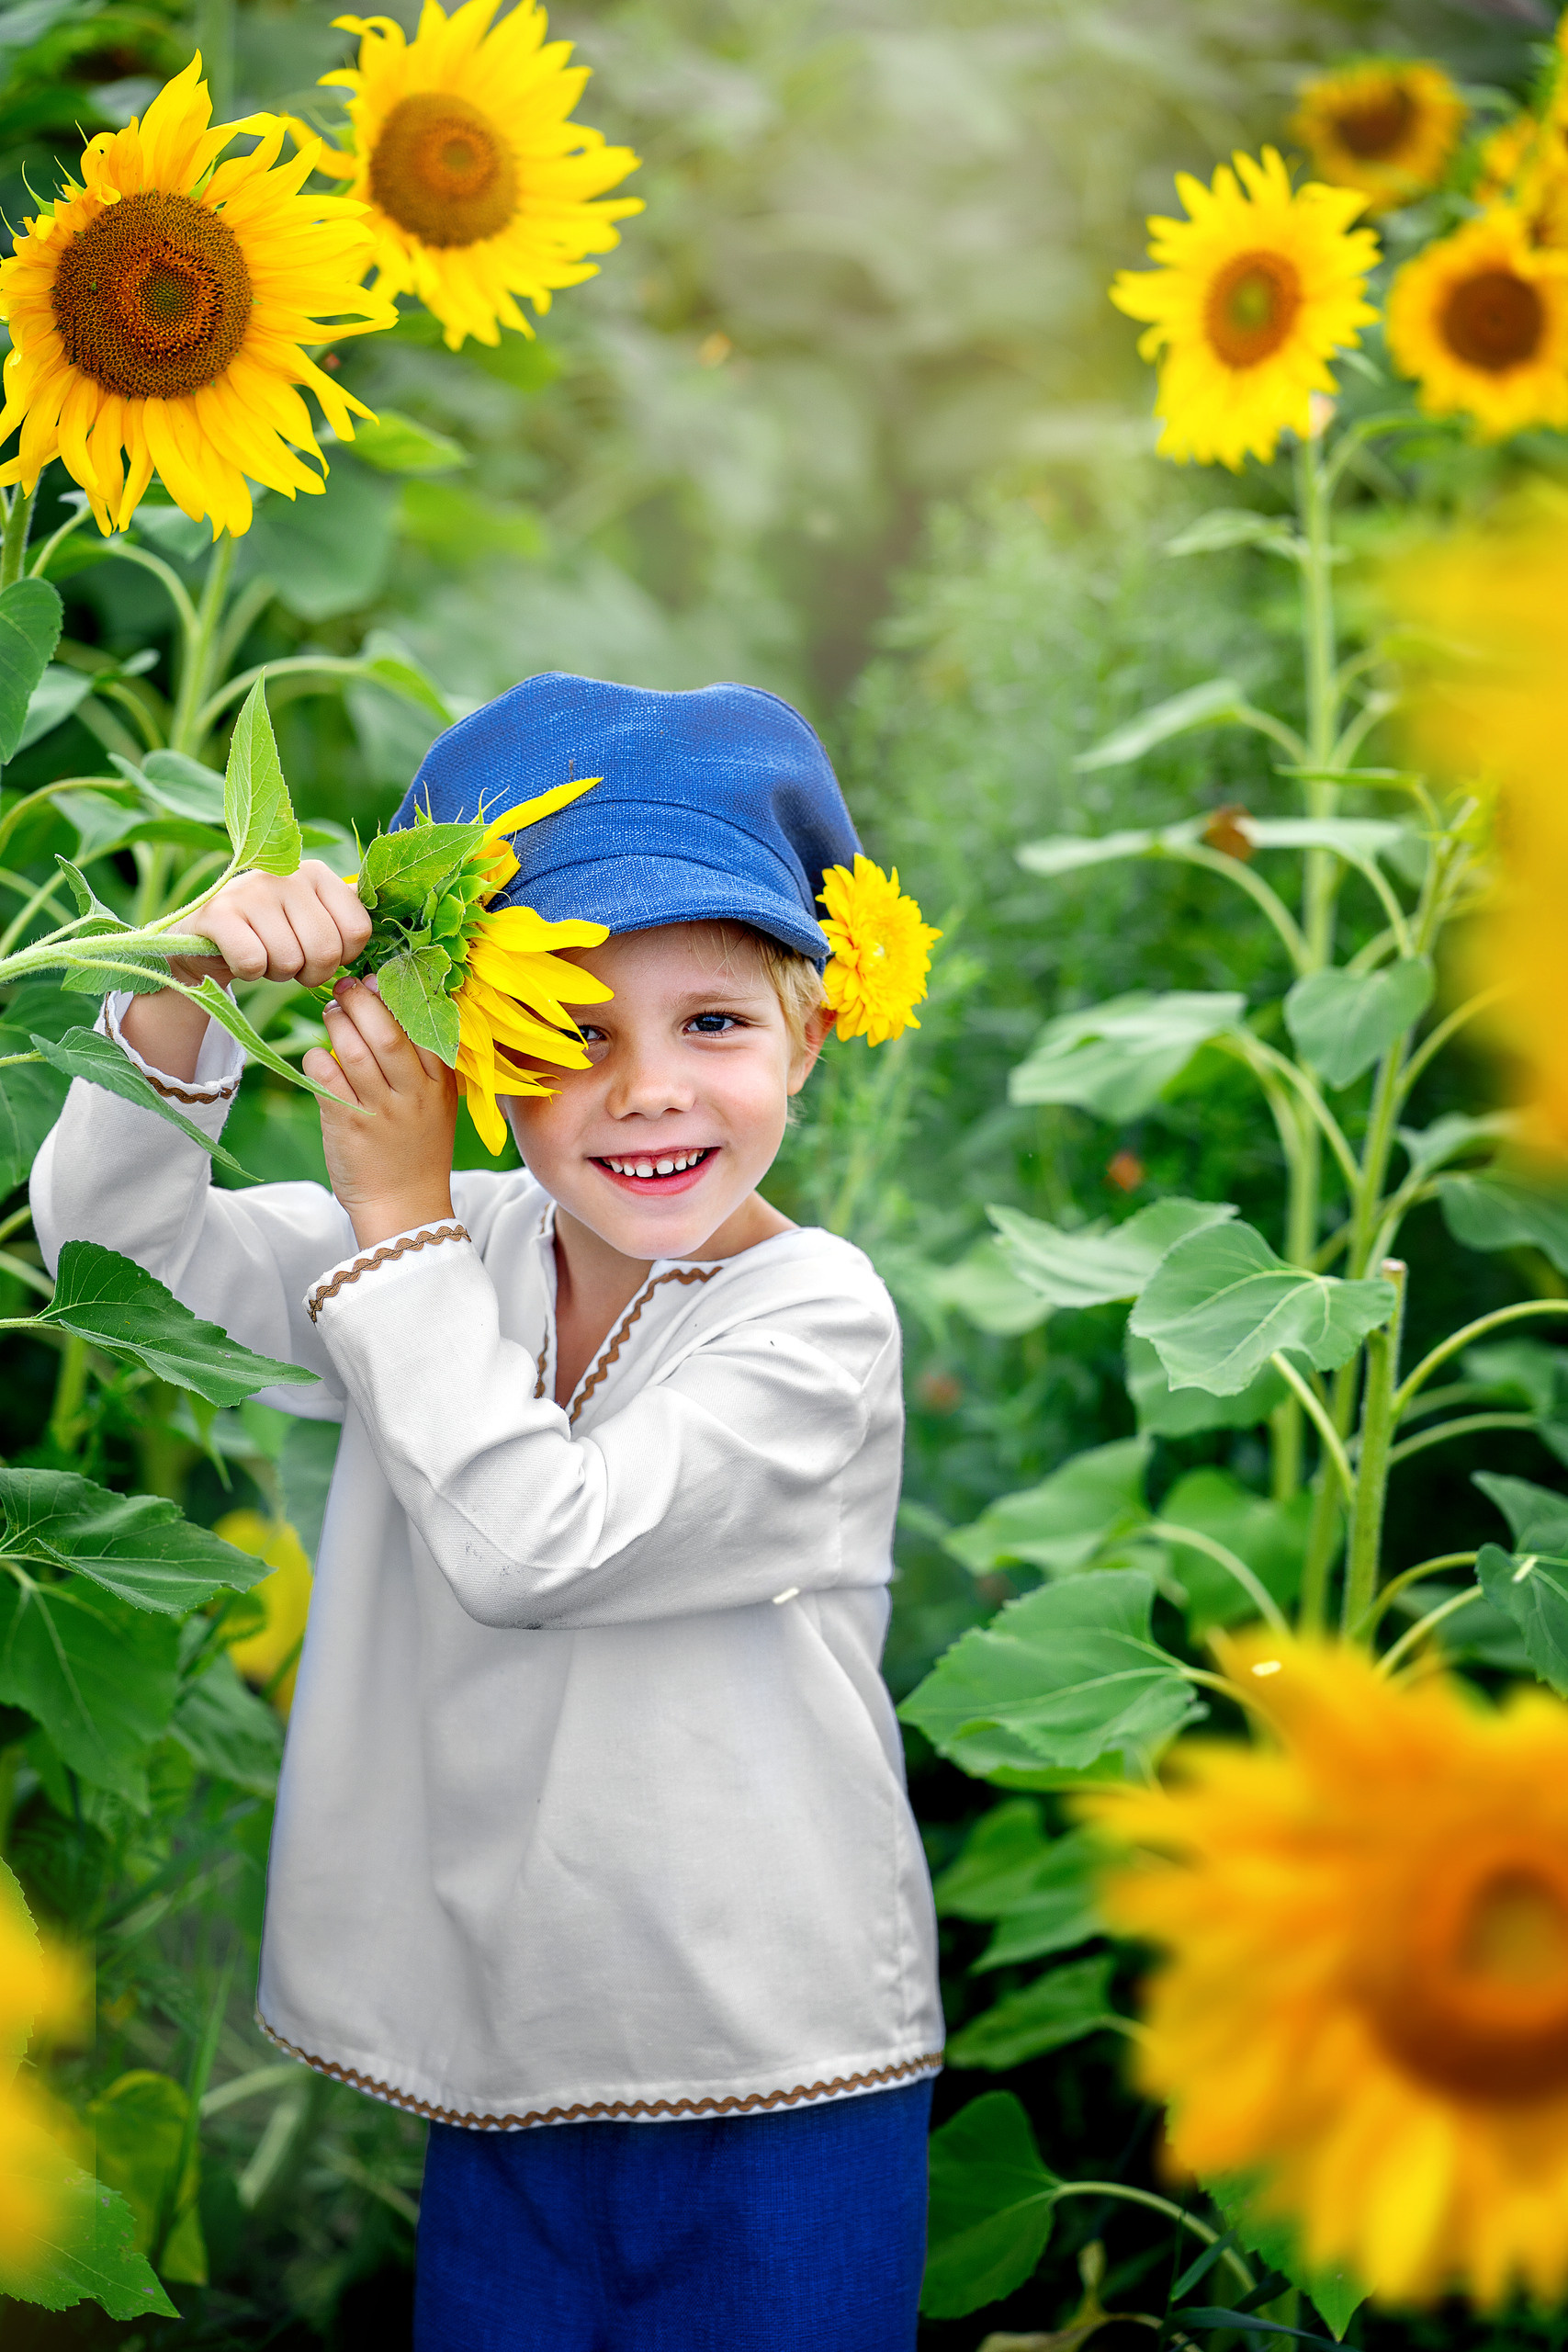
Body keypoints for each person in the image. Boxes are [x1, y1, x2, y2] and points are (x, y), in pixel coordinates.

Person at [32, 673, 944, 2351]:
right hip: (505, 2047)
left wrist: (391, 1219)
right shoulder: (456, 1251)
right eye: (567, 1029)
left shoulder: (817, 1324)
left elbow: (540, 1543)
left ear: (811, 1037)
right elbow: (121, 1252)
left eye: (714, 1024)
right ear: (465, 1044)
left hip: (773, 2064)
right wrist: (179, 993)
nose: (647, 1089)